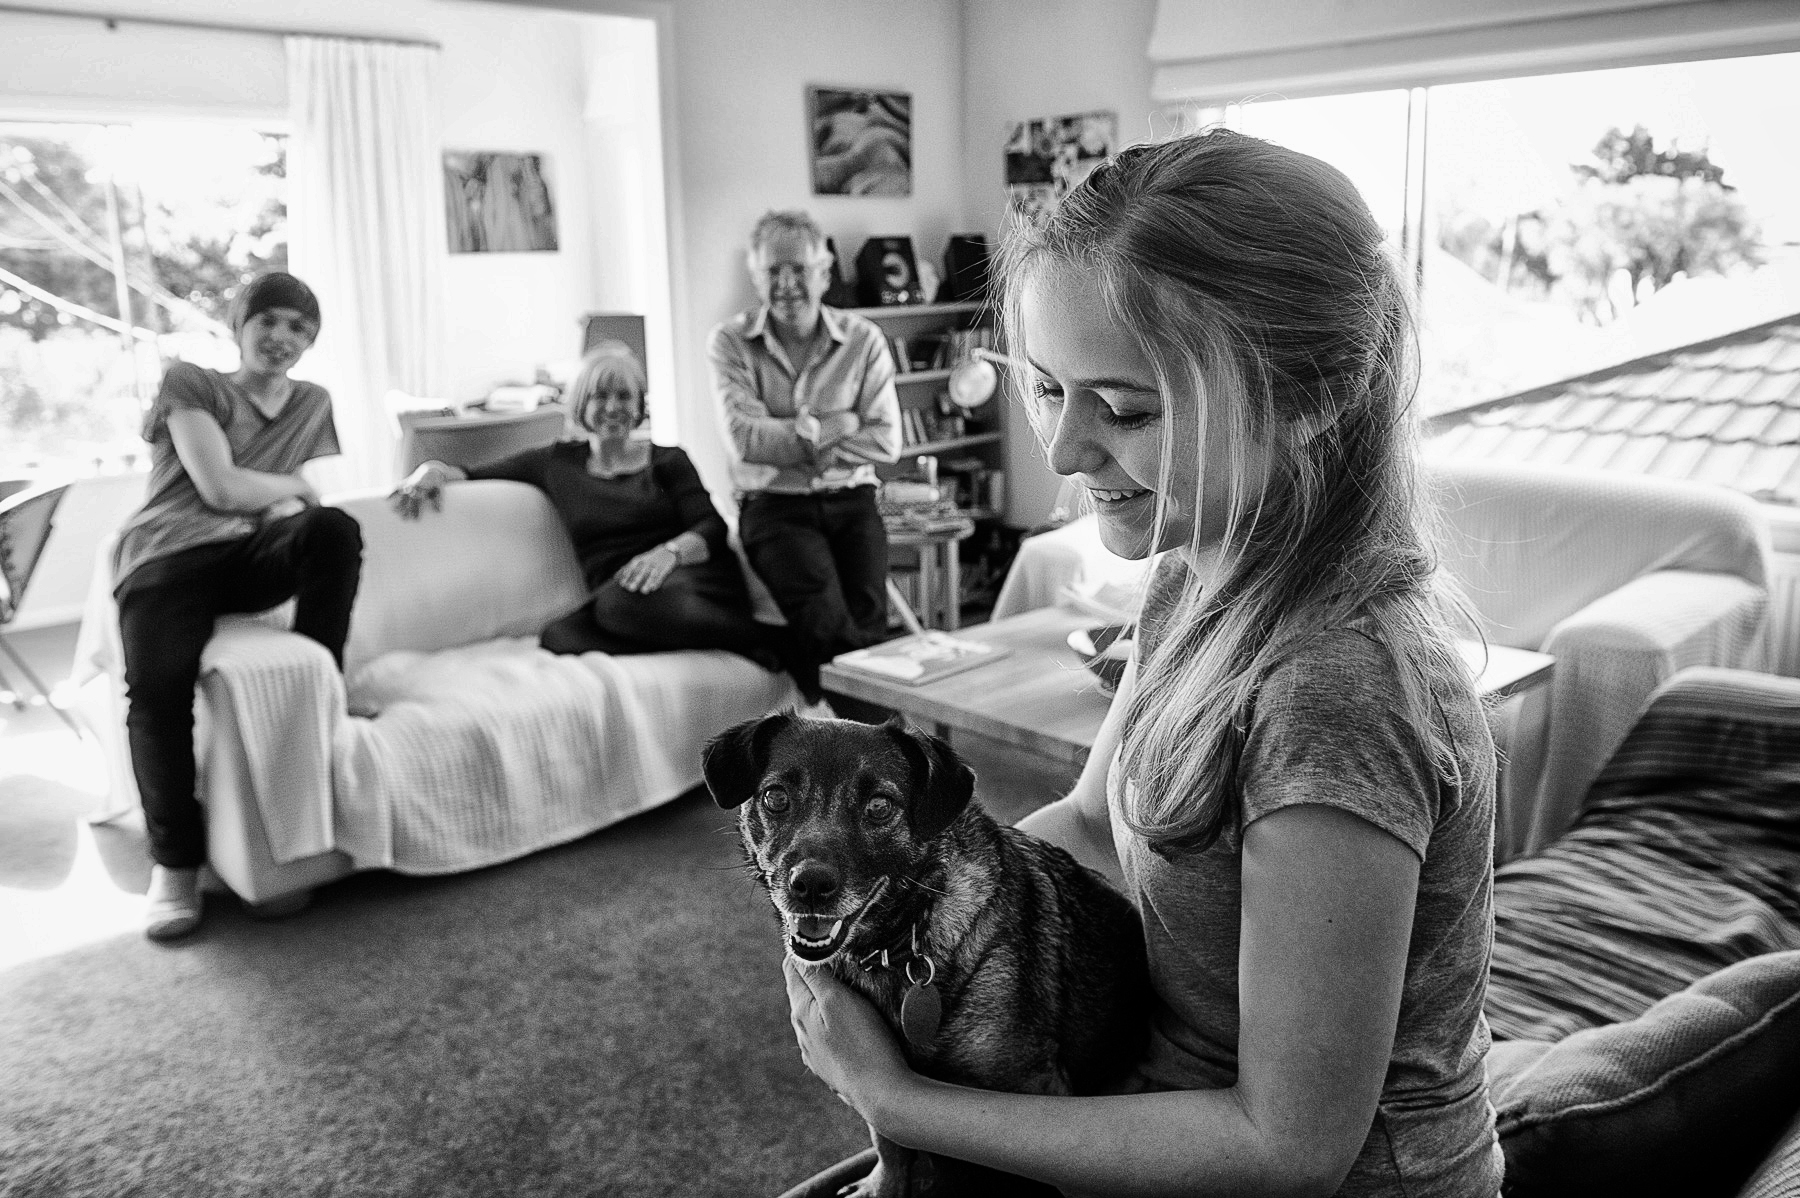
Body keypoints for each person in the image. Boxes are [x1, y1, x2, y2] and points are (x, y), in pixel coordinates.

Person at [781, 130, 1504, 1197]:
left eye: (1125, 409)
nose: (1062, 451)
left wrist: (896, 1100)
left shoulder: (1335, 693)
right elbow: (1086, 823)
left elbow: (1289, 1149)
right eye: (1045, 387)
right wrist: (898, 909)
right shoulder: (1197, 570)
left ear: (1309, 399)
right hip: (1149, 1091)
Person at [114, 271, 362, 943]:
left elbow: (307, 496)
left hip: (248, 556)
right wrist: (291, 489)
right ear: (239, 325)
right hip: (166, 555)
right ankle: (175, 864)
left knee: (333, 530)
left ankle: (327, 687)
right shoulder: (192, 383)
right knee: (158, 693)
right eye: (268, 320)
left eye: (299, 328)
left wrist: (297, 497)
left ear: (311, 342)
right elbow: (220, 489)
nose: (281, 336)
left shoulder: (312, 401)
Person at [392, 341, 788, 675]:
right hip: (621, 592)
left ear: (639, 405)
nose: (612, 407)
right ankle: (727, 640)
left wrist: (667, 554)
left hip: (690, 580)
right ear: (582, 404)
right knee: (559, 636)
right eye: (600, 396)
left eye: (624, 396)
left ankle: (763, 638)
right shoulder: (556, 463)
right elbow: (472, 471)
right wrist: (431, 470)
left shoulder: (668, 460)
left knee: (617, 607)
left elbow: (711, 527)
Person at [708, 209, 901, 707]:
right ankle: (889, 737)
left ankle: (859, 736)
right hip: (775, 507)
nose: (787, 284)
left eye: (799, 269)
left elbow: (886, 441)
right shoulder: (730, 342)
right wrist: (841, 425)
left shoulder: (863, 339)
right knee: (827, 623)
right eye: (773, 271)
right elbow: (746, 438)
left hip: (854, 499)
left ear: (825, 272)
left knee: (870, 626)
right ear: (756, 276)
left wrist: (791, 437)